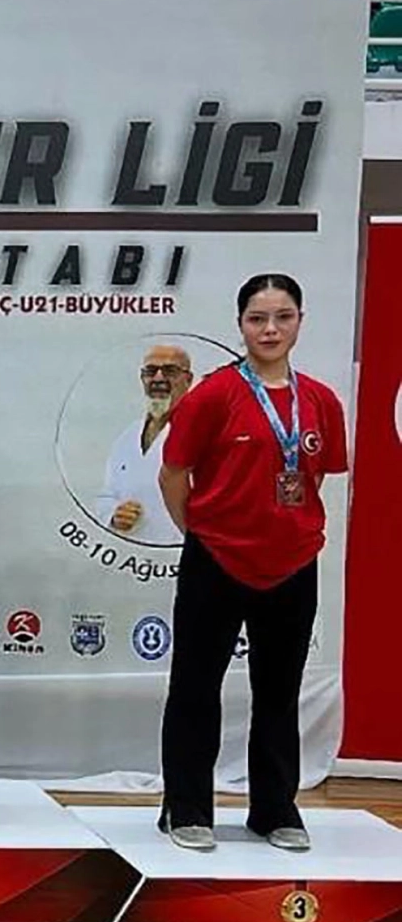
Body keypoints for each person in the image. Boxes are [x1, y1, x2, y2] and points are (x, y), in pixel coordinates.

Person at [157, 273, 346, 853]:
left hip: (292, 565)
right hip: (216, 559)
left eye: (282, 317)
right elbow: (173, 476)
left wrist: (286, 532)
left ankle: (274, 808)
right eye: (258, 319)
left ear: (299, 322)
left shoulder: (320, 400)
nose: (270, 329)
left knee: (279, 690)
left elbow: (313, 477)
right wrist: (202, 535)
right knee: (195, 686)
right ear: (240, 324)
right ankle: (186, 807)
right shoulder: (212, 396)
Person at [96, 344, 193, 545]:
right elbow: (107, 493)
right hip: (134, 552)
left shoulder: (205, 431)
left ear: (188, 379)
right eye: (150, 371)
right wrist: (114, 514)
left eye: (170, 371)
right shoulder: (128, 436)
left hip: (182, 550)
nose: (158, 378)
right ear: (143, 379)